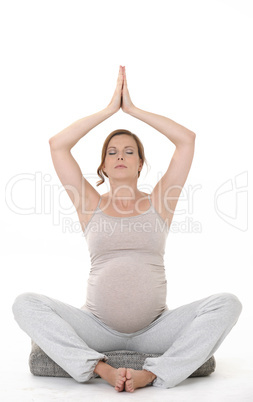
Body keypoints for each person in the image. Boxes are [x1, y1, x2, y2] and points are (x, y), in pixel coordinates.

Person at [12, 65, 242, 393]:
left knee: (228, 302)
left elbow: (186, 141)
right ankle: (100, 368)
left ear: (139, 164)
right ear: (103, 166)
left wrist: (132, 110)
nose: (121, 156)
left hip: (156, 329)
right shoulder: (88, 201)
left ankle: (152, 373)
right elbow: (57, 145)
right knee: (25, 303)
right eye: (112, 152)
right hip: (96, 327)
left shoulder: (161, 201)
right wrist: (109, 110)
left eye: (129, 151)